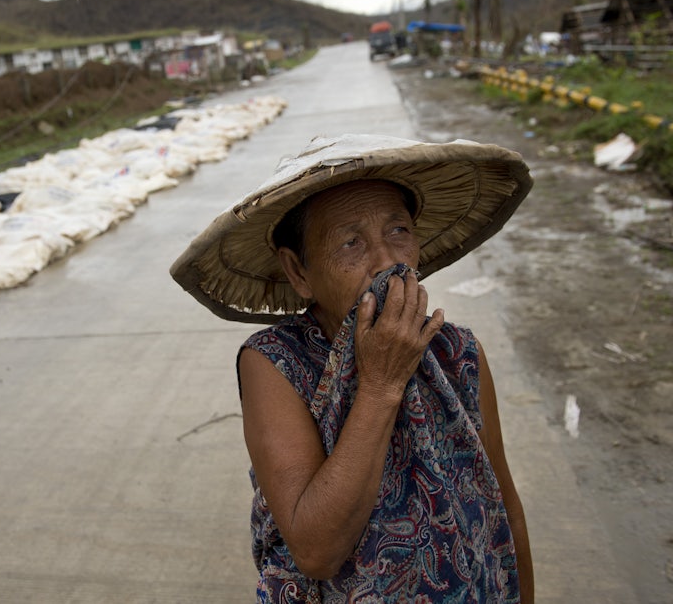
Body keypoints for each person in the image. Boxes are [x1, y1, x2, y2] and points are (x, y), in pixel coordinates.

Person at [171, 134, 535, 602]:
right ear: (299, 272)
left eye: (398, 231)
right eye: (351, 242)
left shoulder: (458, 352)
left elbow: (502, 503)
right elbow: (316, 551)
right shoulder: (275, 364)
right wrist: (382, 384)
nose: (387, 261)